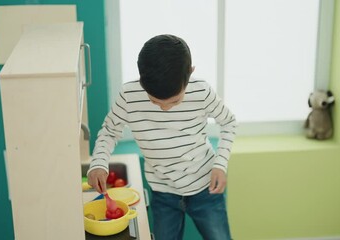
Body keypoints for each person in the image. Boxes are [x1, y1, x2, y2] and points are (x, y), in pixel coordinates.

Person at [87, 34, 236, 240]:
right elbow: (110, 130)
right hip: (163, 193)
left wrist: (221, 164)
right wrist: (99, 163)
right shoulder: (129, 96)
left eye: (174, 101)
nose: (165, 108)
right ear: (142, 80)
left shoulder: (201, 91)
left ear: (190, 73)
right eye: (155, 102)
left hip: (206, 189)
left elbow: (228, 122)